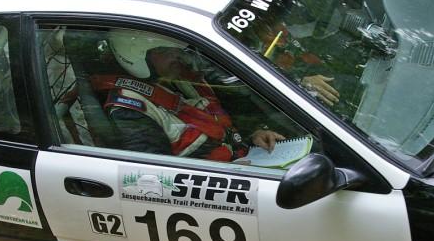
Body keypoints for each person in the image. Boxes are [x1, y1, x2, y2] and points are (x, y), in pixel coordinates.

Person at [88, 29, 286, 162]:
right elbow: (156, 177)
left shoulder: (182, 76)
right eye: (165, 51)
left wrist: (254, 133)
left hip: (246, 158)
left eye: (175, 47)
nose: (176, 55)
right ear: (136, 57)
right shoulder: (129, 109)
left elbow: (222, 117)